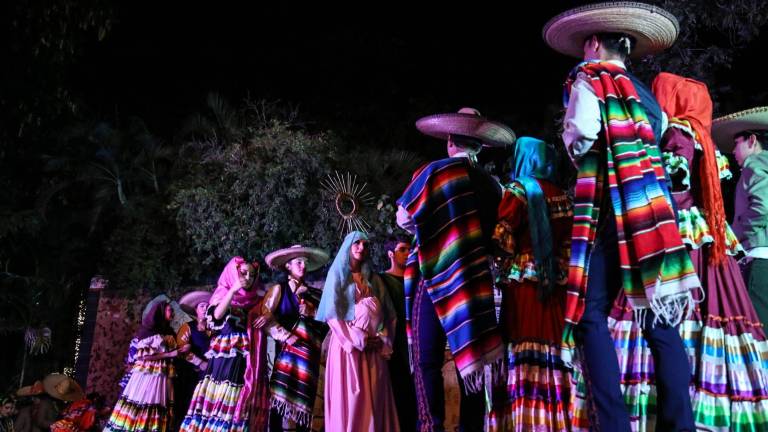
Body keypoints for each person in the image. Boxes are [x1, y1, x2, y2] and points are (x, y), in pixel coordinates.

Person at [543, 3, 699, 430]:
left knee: (590, 312)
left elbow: (581, 137)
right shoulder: (647, 96)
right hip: (652, 214)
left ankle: (611, 423)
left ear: (593, 44)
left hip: (609, 211)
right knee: (657, 315)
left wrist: (595, 166)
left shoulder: (589, 80)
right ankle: (677, 423)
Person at [397, 107, 514, 431]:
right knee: (473, 358)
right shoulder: (493, 185)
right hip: (474, 279)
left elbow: (404, 218)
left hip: (433, 274)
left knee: (426, 359)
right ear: (480, 144)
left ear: (450, 140)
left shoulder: (435, 172)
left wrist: (436, 227)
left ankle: (429, 425)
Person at [491, 137, 573, 431]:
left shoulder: (517, 191)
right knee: (554, 346)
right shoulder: (562, 196)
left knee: (523, 345)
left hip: (525, 286)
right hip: (557, 284)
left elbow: (503, 239)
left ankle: (525, 421)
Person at [315, 231, 399, 431]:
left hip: (372, 352)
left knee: (375, 400)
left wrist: (382, 338)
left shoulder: (369, 279)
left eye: (365, 244)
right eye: (357, 243)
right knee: (353, 401)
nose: (362, 247)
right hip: (348, 351)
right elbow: (332, 315)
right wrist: (357, 339)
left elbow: (385, 314)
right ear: (347, 246)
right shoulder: (337, 275)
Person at [180, 257, 271, 432]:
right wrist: (233, 290)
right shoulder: (223, 294)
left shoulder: (257, 300)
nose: (248, 277)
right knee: (222, 395)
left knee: (240, 396)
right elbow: (216, 316)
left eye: (252, 275)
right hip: (226, 355)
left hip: (247, 355)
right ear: (233, 273)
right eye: (243, 273)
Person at [262, 245, 329, 431]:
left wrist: (312, 312)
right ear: (288, 266)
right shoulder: (279, 290)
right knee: (280, 406)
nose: (303, 266)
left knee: (306, 408)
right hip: (286, 354)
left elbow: (327, 323)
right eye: (298, 262)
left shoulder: (316, 294)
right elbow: (265, 318)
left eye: (305, 262)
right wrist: (285, 335)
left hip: (310, 359)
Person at [712, 106, 768, 328]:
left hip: (760, 257)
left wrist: (734, 237)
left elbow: (762, 207)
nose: (733, 151)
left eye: (737, 143)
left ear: (752, 141)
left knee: (757, 329)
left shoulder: (754, 164)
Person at [104, 301, 178, 432]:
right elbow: (143, 357)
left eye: (172, 310)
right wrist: (169, 354)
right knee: (145, 400)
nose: (172, 312)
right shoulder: (148, 331)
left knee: (158, 403)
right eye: (169, 310)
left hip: (162, 375)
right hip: (148, 374)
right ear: (160, 312)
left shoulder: (169, 332)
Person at [378, 234, 417, 432]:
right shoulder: (382, 281)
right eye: (402, 249)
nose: (408, 253)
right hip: (395, 348)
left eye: (409, 249)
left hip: (416, 346)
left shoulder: (416, 280)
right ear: (391, 254)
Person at [174, 290, 212, 431]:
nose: (206, 308)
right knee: (190, 404)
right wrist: (200, 363)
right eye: (202, 306)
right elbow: (182, 350)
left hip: (212, 375)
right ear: (195, 310)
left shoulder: (215, 328)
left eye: (208, 306)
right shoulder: (187, 327)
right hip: (192, 375)